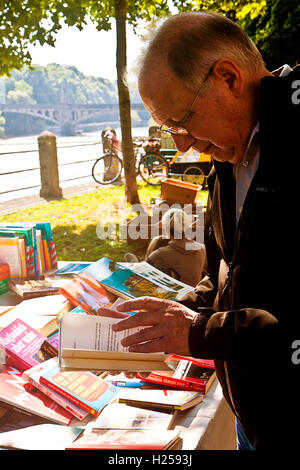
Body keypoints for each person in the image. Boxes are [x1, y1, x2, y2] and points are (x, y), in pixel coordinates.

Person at [99, 11, 300, 450]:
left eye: (182, 121)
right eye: (170, 129)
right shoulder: (232, 149)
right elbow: (231, 270)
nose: (182, 145)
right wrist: (176, 311)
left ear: (228, 78)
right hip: (252, 415)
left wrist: (197, 332)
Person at [145, 208, 207, 286]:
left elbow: (144, 270)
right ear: (186, 227)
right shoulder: (202, 249)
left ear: (166, 229)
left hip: (173, 297)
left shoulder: (160, 254)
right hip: (194, 295)